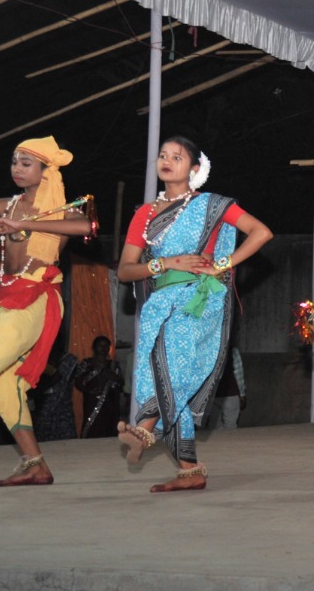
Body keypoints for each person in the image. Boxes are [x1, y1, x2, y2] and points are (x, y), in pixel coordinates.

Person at [117, 137, 273, 492]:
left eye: (177, 156)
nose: (167, 161)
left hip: (200, 298)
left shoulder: (211, 205)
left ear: (195, 168)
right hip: (160, 301)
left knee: (172, 363)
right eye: (162, 156)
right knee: (158, 372)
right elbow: (126, 270)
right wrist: (163, 263)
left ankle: (144, 430)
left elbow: (261, 232)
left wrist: (223, 264)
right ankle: (190, 470)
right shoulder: (144, 214)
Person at [0, 136, 95, 487]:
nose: (17, 168)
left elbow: (83, 227)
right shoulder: (6, 205)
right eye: (14, 161)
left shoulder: (58, 210)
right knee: (1, 385)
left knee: (3, 339)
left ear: (45, 172)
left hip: (39, 295)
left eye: (26, 163)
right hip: (8, 296)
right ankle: (35, 464)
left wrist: (25, 226)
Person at [73, 336, 124, 439]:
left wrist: (113, 377)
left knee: (109, 426)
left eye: (106, 346)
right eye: (100, 346)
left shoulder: (113, 364)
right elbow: (77, 381)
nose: (103, 348)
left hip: (110, 401)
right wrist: (88, 391)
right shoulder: (87, 363)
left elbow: (121, 382)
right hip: (91, 401)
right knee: (92, 427)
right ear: (94, 347)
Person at [34, 350, 80, 444]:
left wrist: (42, 388)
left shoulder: (69, 360)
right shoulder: (38, 357)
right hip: (43, 403)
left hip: (62, 403)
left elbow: (58, 376)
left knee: (66, 438)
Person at [210, 345, 246, 430]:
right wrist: (242, 393)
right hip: (230, 392)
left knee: (214, 427)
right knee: (231, 426)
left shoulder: (208, 349)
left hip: (213, 394)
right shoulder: (232, 350)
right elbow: (238, 373)